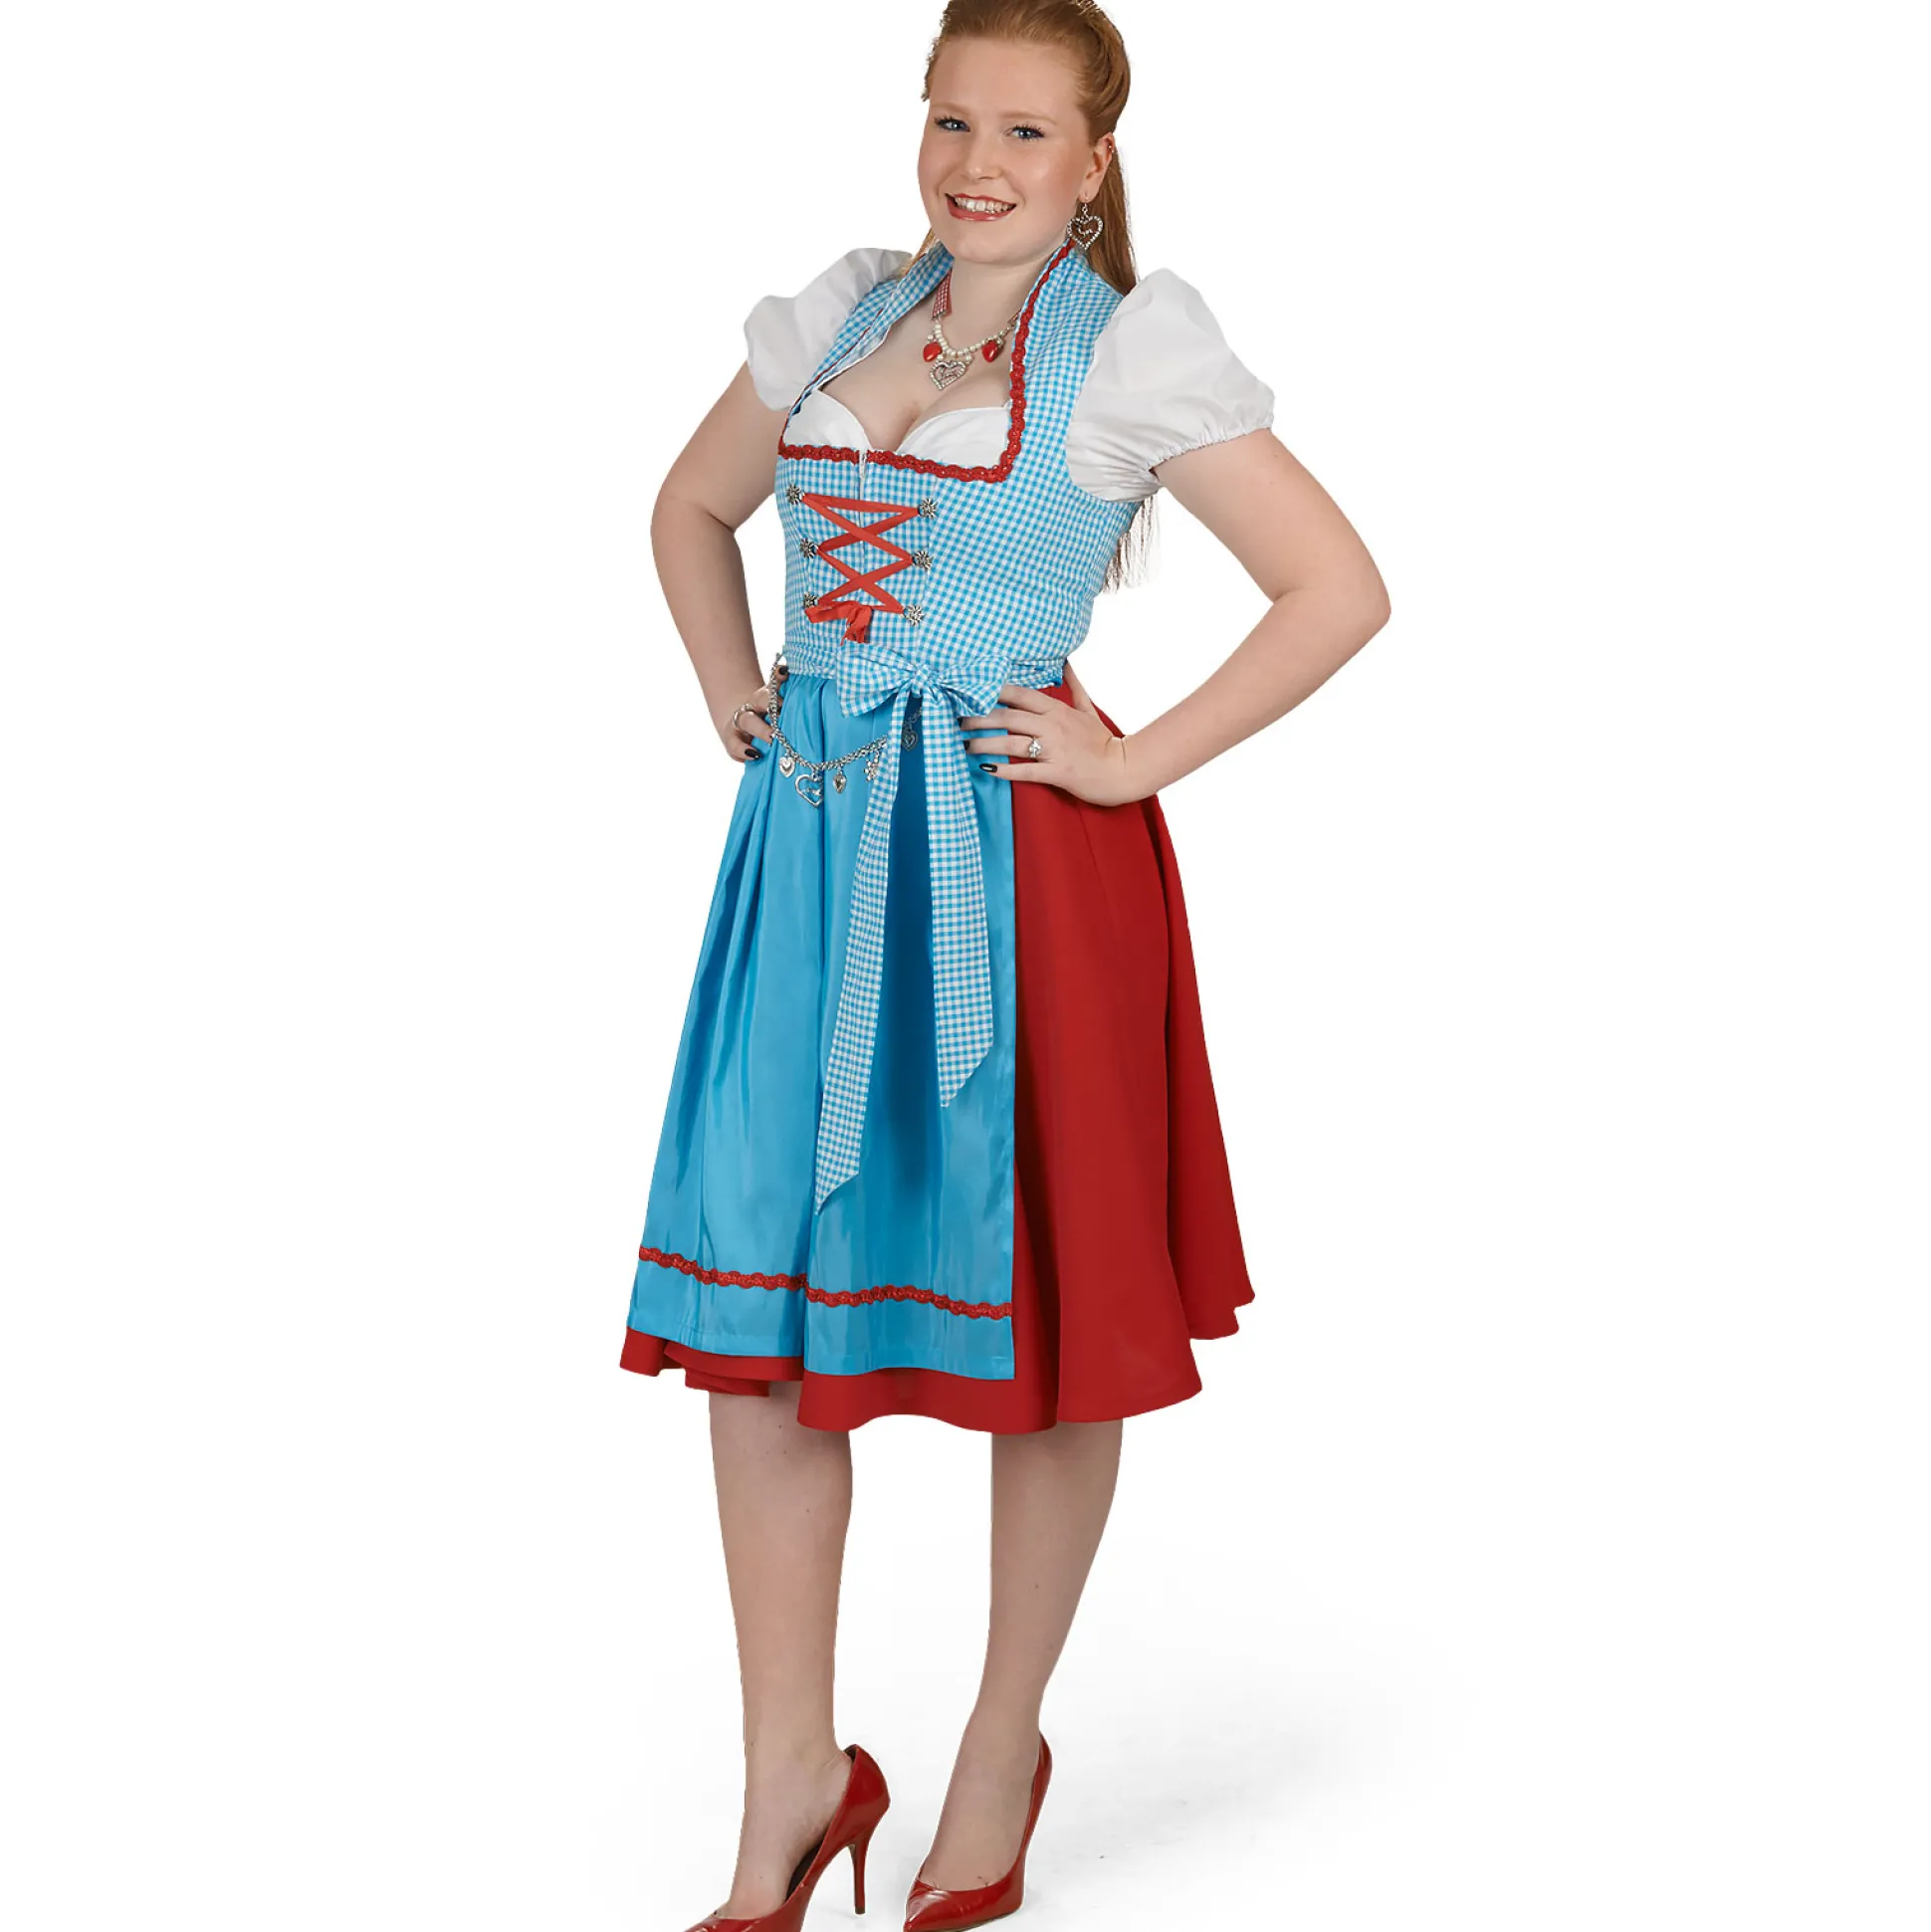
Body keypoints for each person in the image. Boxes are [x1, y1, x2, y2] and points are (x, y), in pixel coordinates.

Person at [624, 5, 1390, 1926]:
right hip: (812, 849)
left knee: (1046, 1319)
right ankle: (793, 1780)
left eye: (1027, 131)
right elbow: (690, 507)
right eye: (953, 119)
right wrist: (734, 686)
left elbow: (1339, 589)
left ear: (1094, 159)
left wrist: (1131, 761)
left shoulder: (1128, 355)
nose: (979, 162)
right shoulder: (844, 314)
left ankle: (996, 1749)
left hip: (1020, 866)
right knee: (762, 1323)